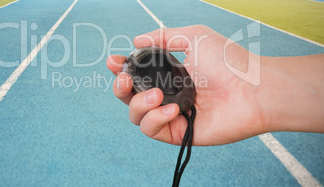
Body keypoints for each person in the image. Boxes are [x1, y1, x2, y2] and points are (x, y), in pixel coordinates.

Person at [106, 25, 324, 146]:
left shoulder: (147, 58)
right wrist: (253, 91)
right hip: (183, 95)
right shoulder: (150, 60)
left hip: (181, 95)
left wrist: (251, 89)